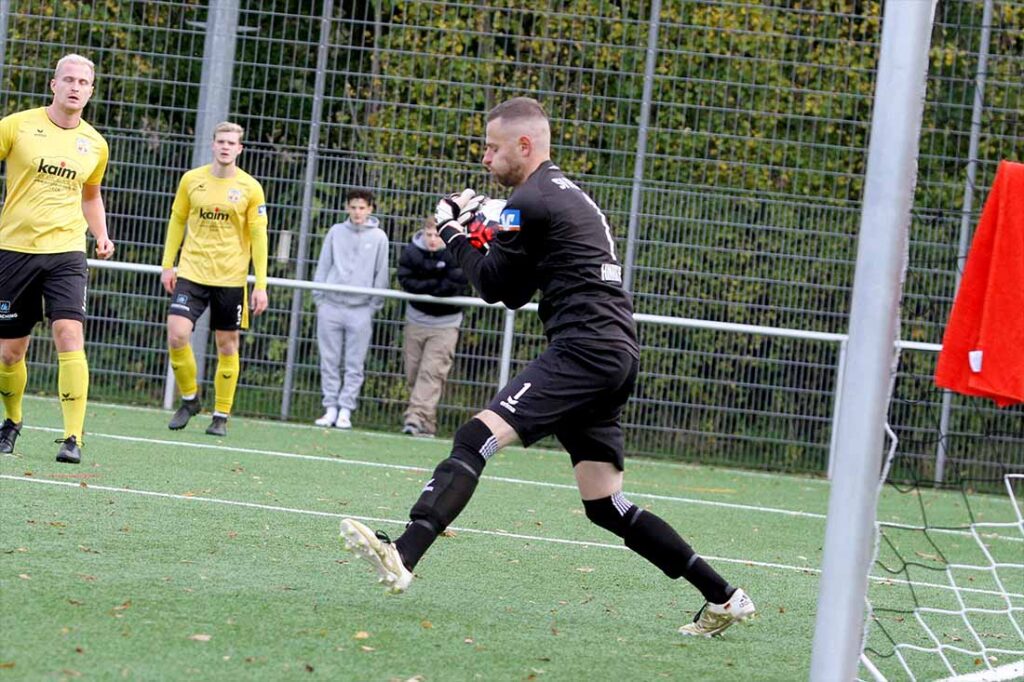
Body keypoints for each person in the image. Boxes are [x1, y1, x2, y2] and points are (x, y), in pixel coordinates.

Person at [339, 97, 755, 638]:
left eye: (492, 147)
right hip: (614, 352)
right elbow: (519, 271)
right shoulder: (557, 194)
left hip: (584, 348)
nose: (485, 157)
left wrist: (458, 232)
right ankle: (724, 596)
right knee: (607, 504)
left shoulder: (528, 199)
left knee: (474, 437)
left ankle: (404, 553)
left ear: (524, 145)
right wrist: (476, 227)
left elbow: (496, 288)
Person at [0, 53, 114, 464]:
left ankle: (72, 437)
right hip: (14, 252)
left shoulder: (96, 144)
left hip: (67, 252)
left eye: (83, 82)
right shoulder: (17, 126)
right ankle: (12, 422)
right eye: (68, 79)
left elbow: (91, 195)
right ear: (53, 84)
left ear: (91, 90)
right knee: (10, 352)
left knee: (69, 333)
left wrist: (100, 234)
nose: (75, 87)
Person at [160, 121, 268, 438]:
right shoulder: (192, 180)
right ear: (213, 145)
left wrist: (260, 283)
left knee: (227, 345)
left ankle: (221, 414)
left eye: (231, 143)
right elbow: (177, 219)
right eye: (220, 141)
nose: (225, 146)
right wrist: (168, 264)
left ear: (239, 149)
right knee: (177, 334)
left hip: (231, 278)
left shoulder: (250, 187)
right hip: (192, 272)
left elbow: (259, 237)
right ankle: (191, 399)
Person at [312, 189, 389, 430]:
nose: (357, 212)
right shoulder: (335, 232)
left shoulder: (379, 237)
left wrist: (373, 304)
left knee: (355, 363)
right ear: (347, 208)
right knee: (329, 359)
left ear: (370, 210)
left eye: (362, 208)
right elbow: (324, 264)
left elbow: (381, 272)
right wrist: (320, 298)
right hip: (331, 306)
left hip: (361, 309)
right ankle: (330, 407)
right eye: (353, 207)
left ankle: (346, 409)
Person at [397, 217, 469, 437]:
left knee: (431, 373)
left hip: (445, 325)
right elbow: (406, 280)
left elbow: (455, 284)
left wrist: (427, 287)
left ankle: (414, 419)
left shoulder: (457, 252)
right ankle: (426, 423)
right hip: (416, 320)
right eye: (429, 235)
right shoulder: (412, 252)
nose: (432, 240)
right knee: (413, 373)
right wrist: (432, 285)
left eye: (437, 235)